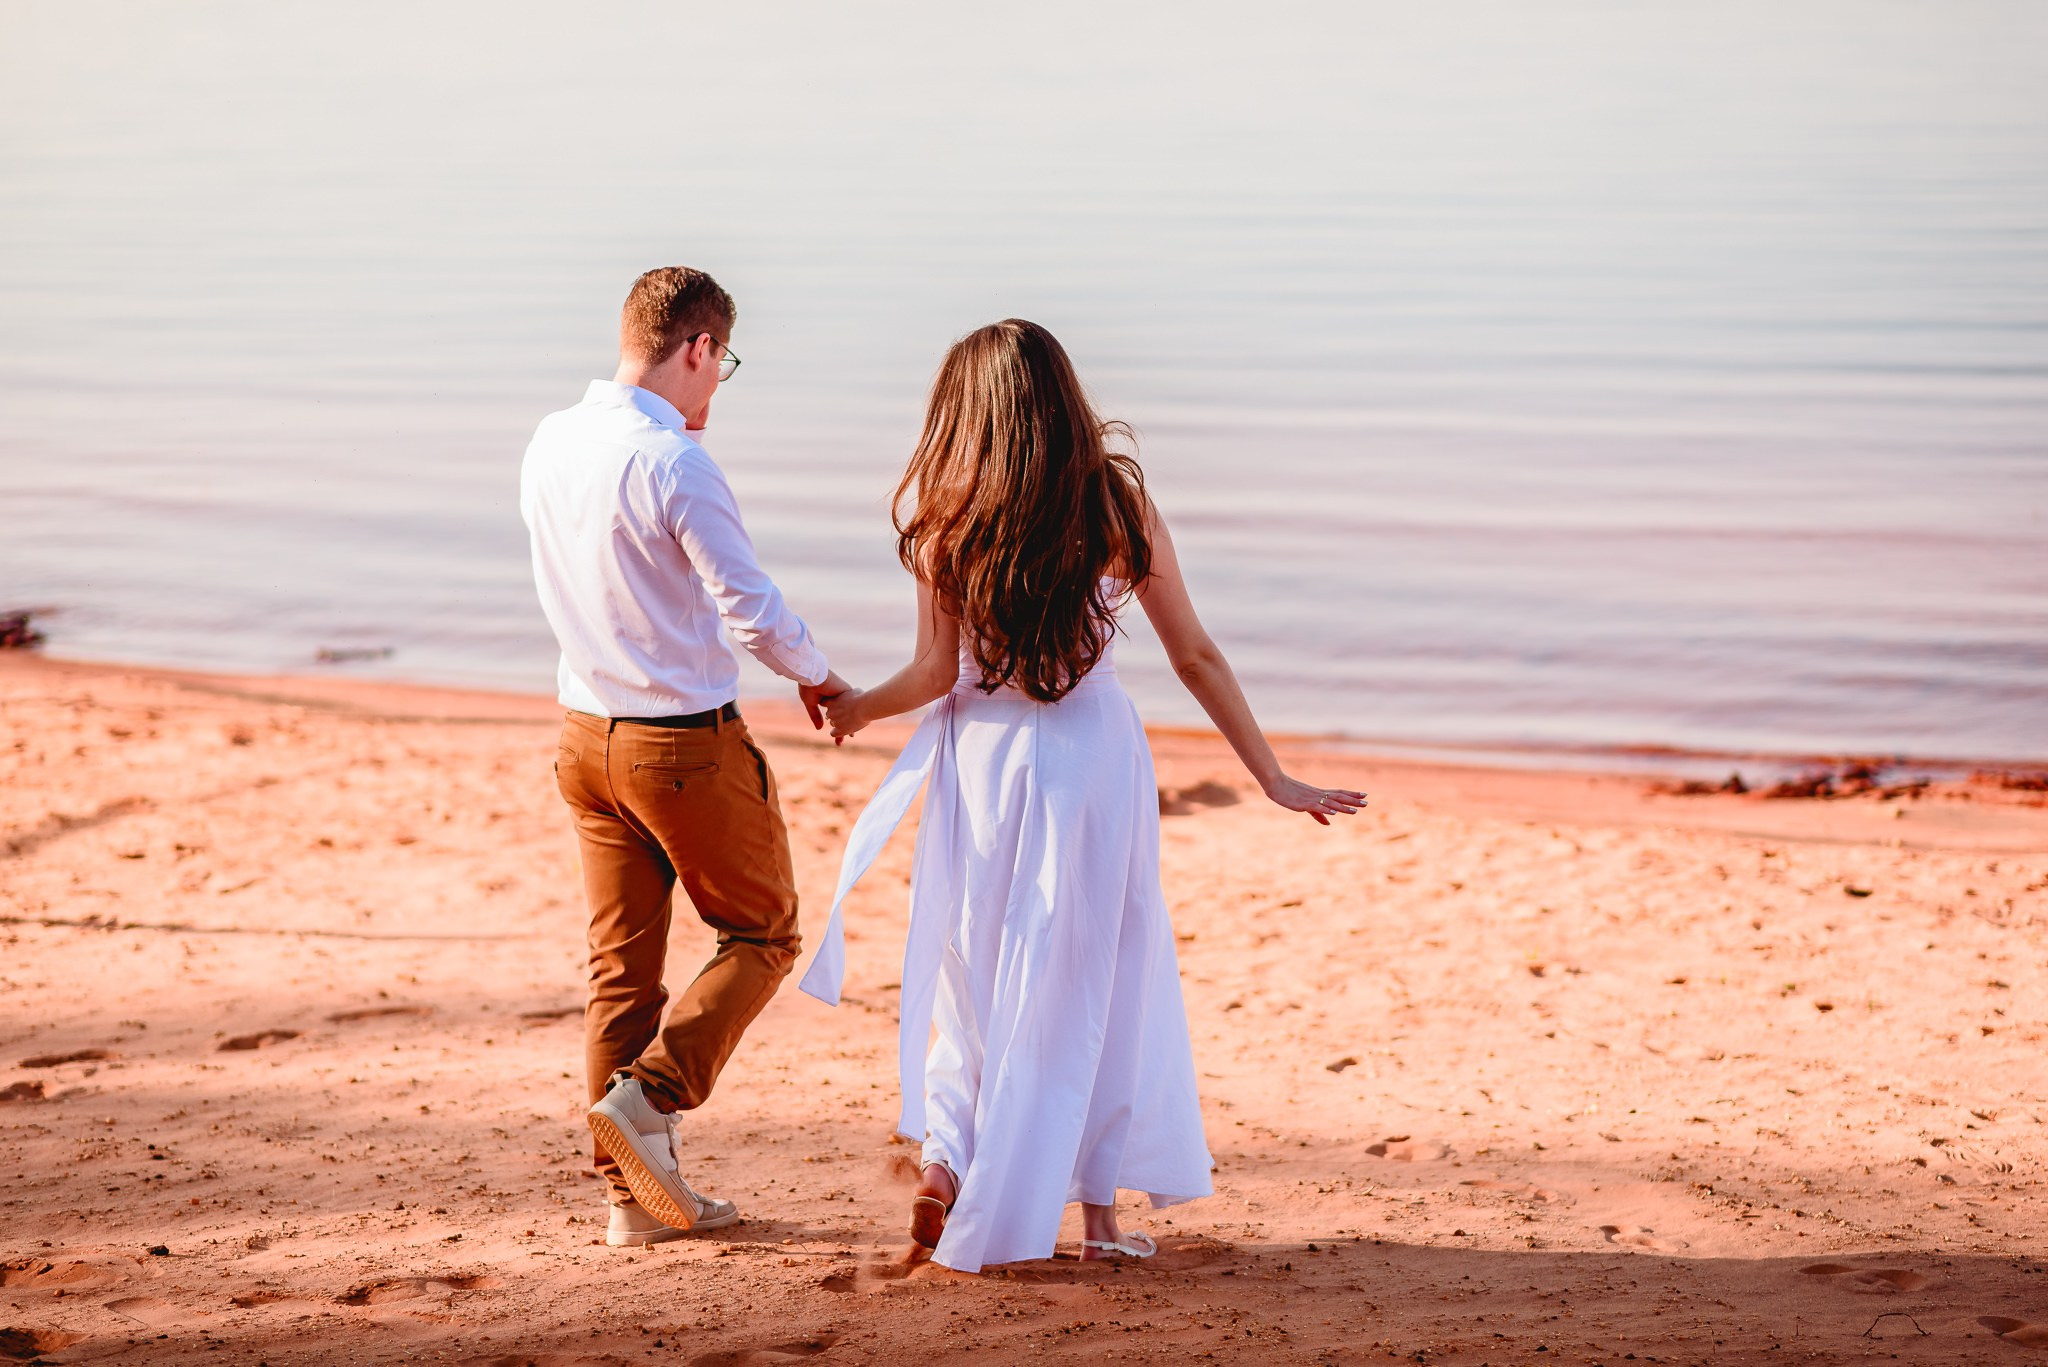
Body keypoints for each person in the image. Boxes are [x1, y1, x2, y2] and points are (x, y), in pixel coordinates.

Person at [802, 319, 1365, 1272]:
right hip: (1093, 762)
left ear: (965, 413)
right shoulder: (1113, 505)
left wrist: (856, 709)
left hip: (982, 760)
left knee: (975, 964)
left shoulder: (949, 518)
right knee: (1096, 974)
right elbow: (1194, 653)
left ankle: (950, 1161)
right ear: (1064, 400)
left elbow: (936, 672)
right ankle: (1098, 1222)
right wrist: (1272, 775)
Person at [519, 266, 849, 1248]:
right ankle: (652, 1095)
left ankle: (630, 1204)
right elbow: (747, 604)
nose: (717, 390)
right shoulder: (674, 461)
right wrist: (820, 676)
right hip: (681, 746)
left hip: (583, 734)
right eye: (723, 365)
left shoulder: (551, 438)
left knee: (622, 970)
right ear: (697, 348)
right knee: (764, 932)